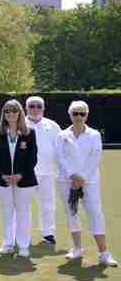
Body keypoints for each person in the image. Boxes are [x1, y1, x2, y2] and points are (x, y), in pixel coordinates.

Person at [55, 101, 117, 266]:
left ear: (87, 115)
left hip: (89, 181)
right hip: (65, 180)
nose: (78, 117)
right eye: (75, 113)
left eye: (82, 113)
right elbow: (60, 158)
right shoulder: (62, 135)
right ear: (70, 115)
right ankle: (76, 248)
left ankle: (104, 253)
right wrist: (72, 176)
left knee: (95, 213)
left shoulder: (94, 134)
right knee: (71, 213)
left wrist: (81, 178)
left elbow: (95, 157)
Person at [0, 99, 38, 257]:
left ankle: (23, 245)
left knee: (23, 212)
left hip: (25, 180)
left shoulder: (29, 133)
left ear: (20, 113)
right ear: (4, 114)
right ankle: (7, 244)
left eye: (14, 111)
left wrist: (20, 175)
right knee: (6, 213)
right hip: (3, 180)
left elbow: (32, 158)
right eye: (8, 111)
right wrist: (4, 175)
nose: (11, 114)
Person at [25, 96, 60, 245]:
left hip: (47, 172)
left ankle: (48, 233)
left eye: (38, 106)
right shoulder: (20, 124)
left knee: (48, 203)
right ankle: (20, 234)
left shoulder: (52, 125)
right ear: (26, 108)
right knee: (22, 205)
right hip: (26, 172)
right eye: (32, 106)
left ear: (43, 108)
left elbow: (60, 149)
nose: (35, 109)